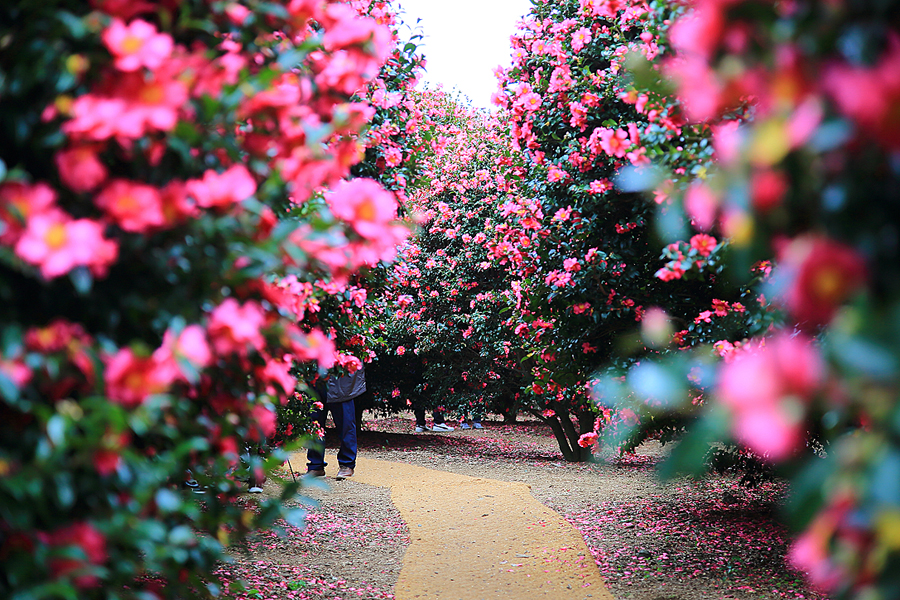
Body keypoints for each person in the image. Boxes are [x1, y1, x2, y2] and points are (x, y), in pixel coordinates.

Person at [306, 365, 365, 479]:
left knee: (346, 424)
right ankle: (315, 466)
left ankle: (347, 464)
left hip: (340, 377)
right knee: (314, 423)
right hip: (317, 374)